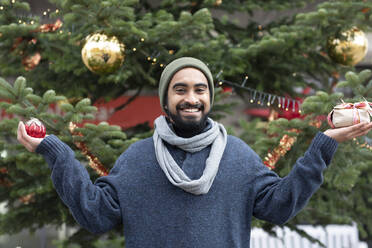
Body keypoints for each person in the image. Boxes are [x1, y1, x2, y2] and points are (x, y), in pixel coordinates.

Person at [17, 57, 372, 248]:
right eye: (180, 89)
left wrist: (325, 143)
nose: (191, 98)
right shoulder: (138, 160)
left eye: (200, 89)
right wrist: (55, 152)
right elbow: (96, 215)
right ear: (166, 100)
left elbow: (280, 206)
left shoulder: (237, 156)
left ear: (209, 98)